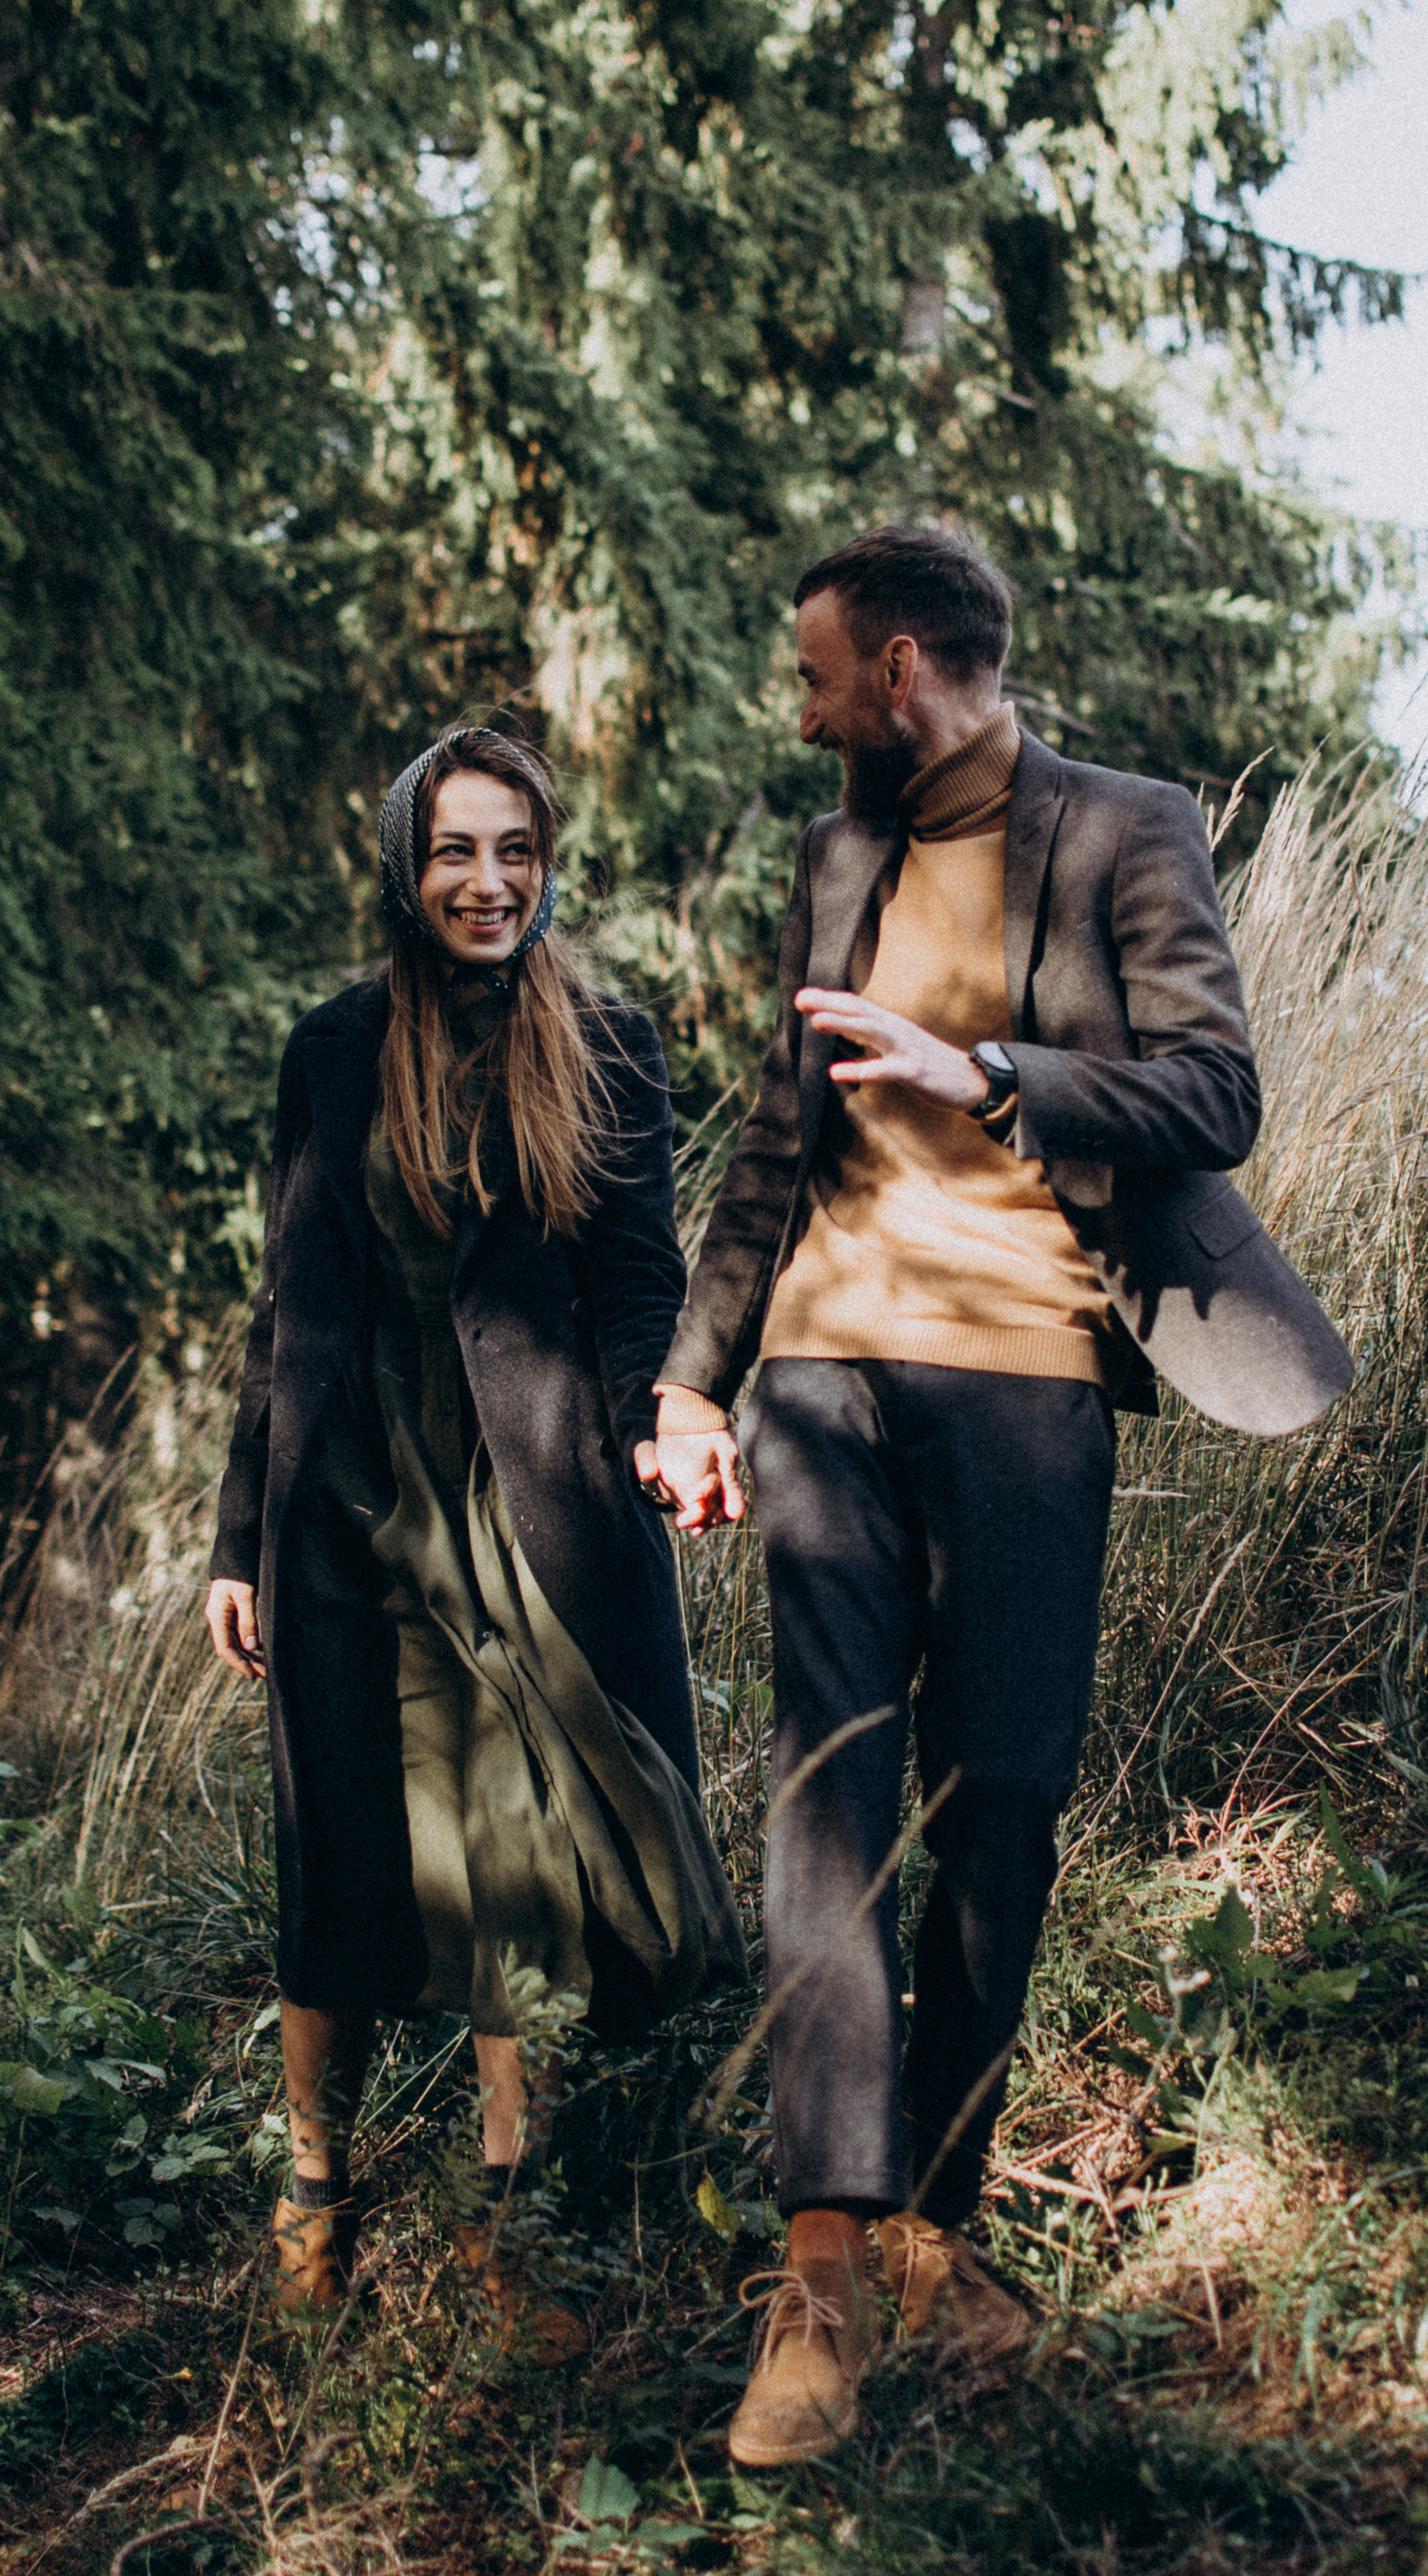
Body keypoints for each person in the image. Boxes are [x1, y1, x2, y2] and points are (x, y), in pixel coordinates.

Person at [635, 524, 1352, 2463]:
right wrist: (694, 1379)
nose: (798, 712)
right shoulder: (835, 853)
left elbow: (1212, 1088)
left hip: (1032, 1369)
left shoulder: (1125, 825)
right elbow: (778, 1133)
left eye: (813, 676)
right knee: (830, 1787)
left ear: (894, 669)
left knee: (1005, 1796)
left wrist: (989, 1068)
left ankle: (934, 2219)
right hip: (823, 1369)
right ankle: (819, 2270)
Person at [205, 725, 743, 2346]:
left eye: (515, 848)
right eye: (456, 850)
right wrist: (239, 1529)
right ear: (404, 864)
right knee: (345, 1856)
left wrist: (673, 1410)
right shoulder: (330, 1047)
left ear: (547, 859)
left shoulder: (611, 1046)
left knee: (519, 1854)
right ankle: (316, 2190)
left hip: (530, 1501)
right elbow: (285, 1306)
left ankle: (505, 2223)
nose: (489, 880)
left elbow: (645, 1272)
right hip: (348, 1509)